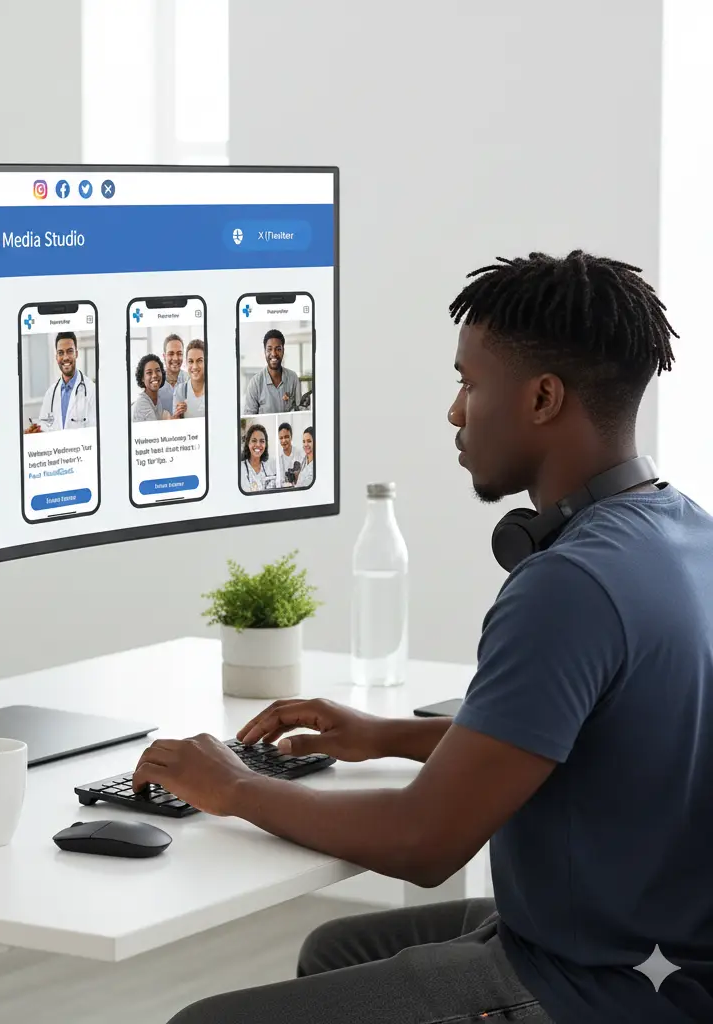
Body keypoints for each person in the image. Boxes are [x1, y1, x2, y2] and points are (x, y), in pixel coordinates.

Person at [136, 251, 713, 1024]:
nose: (454, 411)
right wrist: (383, 735)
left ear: (543, 397)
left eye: (470, 384)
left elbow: (425, 843)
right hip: (654, 950)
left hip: (602, 987)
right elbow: (590, 738)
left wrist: (234, 786)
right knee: (334, 951)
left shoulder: (567, 586)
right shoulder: (685, 532)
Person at [39, 332, 97, 431]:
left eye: (70, 351)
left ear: (76, 354)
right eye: (61, 353)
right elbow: (43, 426)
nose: (65, 357)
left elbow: (94, 430)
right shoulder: (50, 394)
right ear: (56, 356)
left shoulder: (92, 391)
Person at [242, 329, 303, 415]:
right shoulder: (255, 383)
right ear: (264, 351)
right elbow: (249, 419)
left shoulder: (293, 378)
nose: (273, 353)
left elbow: (300, 411)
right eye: (269, 349)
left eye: (278, 349)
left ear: (283, 351)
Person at [131, 354, 171, 422]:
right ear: (142, 378)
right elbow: (156, 431)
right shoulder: (142, 404)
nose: (155, 375)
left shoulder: (157, 401)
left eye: (158, 370)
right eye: (149, 372)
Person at [172, 340, 206, 419]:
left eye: (199, 361)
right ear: (186, 363)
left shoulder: (215, 390)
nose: (194, 366)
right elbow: (175, 424)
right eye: (191, 361)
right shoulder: (180, 390)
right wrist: (177, 414)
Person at [157, 333, 188, 416]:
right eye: (171, 353)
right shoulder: (155, 383)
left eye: (179, 353)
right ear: (164, 356)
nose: (175, 358)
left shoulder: (190, 380)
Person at [239, 423, 275, 492]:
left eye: (262, 441)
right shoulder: (241, 468)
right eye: (254, 441)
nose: (258, 444)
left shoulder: (268, 468)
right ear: (248, 443)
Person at [277, 423, 303, 487]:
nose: (284, 440)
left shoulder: (300, 454)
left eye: (286, 437)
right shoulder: (278, 459)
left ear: (291, 437)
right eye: (281, 438)